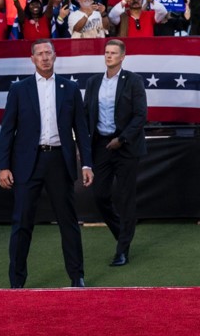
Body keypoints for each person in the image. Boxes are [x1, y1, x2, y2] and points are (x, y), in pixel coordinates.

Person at [0, 40, 94, 288]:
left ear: (55, 56)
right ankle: (16, 281)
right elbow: (8, 130)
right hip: (28, 162)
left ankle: (77, 276)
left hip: (59, 161)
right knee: (22, 222)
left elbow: (81, 130)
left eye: (48, 53)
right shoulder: (19, 89)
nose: (44, 58)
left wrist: (87, 164)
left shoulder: (70, 88)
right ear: (32, 59)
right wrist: (3, 166)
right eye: (39, 54)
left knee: (68, 222)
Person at [82, 39, 147, 267]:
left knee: (126, 198)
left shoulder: (134, 81)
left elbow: (140, 115)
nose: (108, 56)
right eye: (106, 52)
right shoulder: (92, 82)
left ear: (122, 56)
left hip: (126, 146)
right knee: (100, 196)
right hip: (101, 145)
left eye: (113, 53)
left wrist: (122, 139)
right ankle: (123, 234)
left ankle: (122, 250)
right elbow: (86, 114)